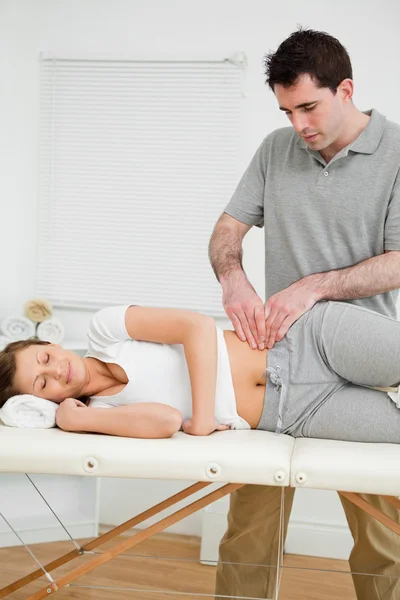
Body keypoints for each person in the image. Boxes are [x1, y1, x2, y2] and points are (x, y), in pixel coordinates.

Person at [208, 27, 400, 600]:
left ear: (345, 90)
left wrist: (314, 288)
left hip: (364, 359)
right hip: (278, 369)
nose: (299, 125)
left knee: (383, 532)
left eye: (309, 107)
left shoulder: (396, 154)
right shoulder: (276, 149)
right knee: (249, 528)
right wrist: (233, 277)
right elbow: (226, 230)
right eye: (287, 110)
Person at [2, 301, 400, 444]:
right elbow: (167, 420)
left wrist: (205, 419)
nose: (56, 371)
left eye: (44, 359)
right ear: (42, 402)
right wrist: (79, 417)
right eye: (43, 384)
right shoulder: (101, 415)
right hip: (293, 414)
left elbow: (196, 327)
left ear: (48, 344)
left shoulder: (105, 329)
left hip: (308, 341)